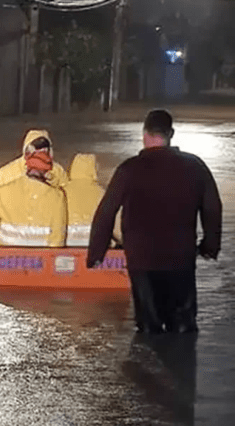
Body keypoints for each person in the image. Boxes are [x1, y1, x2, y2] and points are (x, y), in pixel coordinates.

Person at [87, 109, 222, 334]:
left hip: (142, 261)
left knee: (149, 330)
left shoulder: (129, 169)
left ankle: (150, 366)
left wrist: (96, 254)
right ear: (172, 134)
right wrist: (210, 246)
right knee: (184, 329)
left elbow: (106, 212)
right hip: (181, 259)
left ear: (144, 134)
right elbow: (212, 208)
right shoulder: (195, 166)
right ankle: (185, 366)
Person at [0, 139, 67, 247]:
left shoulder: (2, 192)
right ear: (48, 171)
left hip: (4, 256)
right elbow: (58, 237)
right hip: (39, 258)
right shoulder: (57, 197)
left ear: (27, 166)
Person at [0, 129, 69, 196]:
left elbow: (67, 196)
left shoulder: (58, 171)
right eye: (37, 147)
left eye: (45, 146)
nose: (42, 150)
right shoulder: (6, 172)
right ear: (27, 149)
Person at [64, 153, 122, 247]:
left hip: (66, 248)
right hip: (96, 248)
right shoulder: (102, 194)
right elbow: (118, 231)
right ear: (94, 170)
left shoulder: (62, 193)